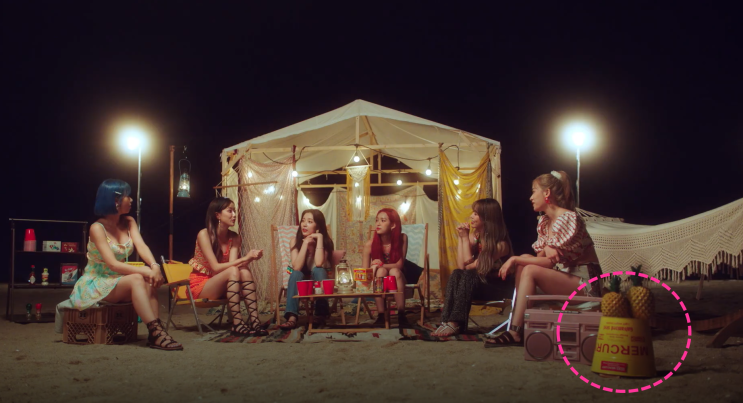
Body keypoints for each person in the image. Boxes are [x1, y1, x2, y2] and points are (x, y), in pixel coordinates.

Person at [485, 170, 601, 347]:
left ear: (546, 193)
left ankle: (515, 330)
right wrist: (539, 251)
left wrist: (514, 259)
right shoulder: (545, 222)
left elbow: (548, 262)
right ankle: (521, 323)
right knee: (525, 260)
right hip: (565, 278)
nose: (531, 197)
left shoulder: (567, 218)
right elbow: (541, 259)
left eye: (534, 191)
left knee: (526, 266)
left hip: (586, 284)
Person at [69, 179, 182, 350]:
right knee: (138, 278)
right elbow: (113, 265)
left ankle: (156, 332)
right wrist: (144, 270)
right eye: (127, 196)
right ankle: (156, 332)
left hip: (118, 280)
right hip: (96, 281)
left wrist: (154, 266)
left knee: (148, 279)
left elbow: (141, 246)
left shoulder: (129, 221)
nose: (131, 200)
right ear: (115, 200)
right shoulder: (97, 228)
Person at [431, 198, 514, 337]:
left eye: (475, 214)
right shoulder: (475, 238)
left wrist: (465, 240)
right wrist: (462, 238)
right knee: (456, 273)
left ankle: (455, 323)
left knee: (469, 275)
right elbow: (461, 266)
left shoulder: (500, 245)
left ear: (487, 218)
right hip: (477, 284)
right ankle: (447, 321)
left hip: (498, 288)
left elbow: (471, 268)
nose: (471, 216)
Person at [188, 197, 266, 337]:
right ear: (217, 215)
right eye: (230, 211)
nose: (234, 215)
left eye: (234, 211)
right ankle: (237, 323)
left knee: (244, 271)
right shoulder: (204, 234)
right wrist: (246, 258)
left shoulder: (234, 237)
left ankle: (255, 321)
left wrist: (250, 259)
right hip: (202, 285)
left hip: (225, 283)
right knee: (235, 270)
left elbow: (234, 264)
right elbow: (216, 267)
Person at [279, 209, 335, 330]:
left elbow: (319, 263)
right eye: (303, 221)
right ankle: (292, 316)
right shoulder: (294, 241)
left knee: (319, 270)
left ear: (318, 226)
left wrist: (319, 238)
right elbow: (297, 267)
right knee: (295, 273)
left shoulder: (326, 242)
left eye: (310, 222)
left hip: (318, 278)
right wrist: (304, 244)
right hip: (302, 279)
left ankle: (320, 314)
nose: (304, 224)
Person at [362, 208, 415, 328]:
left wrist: (379, 264)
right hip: (379, 281)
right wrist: (374, 267)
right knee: (380, 271)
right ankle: (381, 314)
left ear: (393, 225)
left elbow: (399, 265)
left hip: (398, 280)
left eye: (383, 220)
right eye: (377, 220)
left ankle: (401, 314)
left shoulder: (402, 238)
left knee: (394, 271)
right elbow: (364, 273)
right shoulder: (369, 244)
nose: (378, 224)